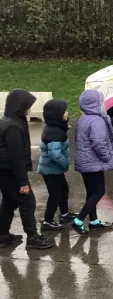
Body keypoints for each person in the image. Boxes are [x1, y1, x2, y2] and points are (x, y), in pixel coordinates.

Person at [0, 89, 55, 249]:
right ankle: (32, 238)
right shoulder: (13, 127)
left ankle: (2, 235)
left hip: (4, 171)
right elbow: (16, 157)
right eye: (27, 105)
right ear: (20, 106)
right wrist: (23, 182)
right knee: (27, 202)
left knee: (9, 201)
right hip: (10, 171)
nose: (29, 108)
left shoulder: (8, 121)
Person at [71, 90, 113, 235]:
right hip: (94, 164)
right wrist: (107, 158)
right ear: (96, 103)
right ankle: (79, 220)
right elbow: (98, 143)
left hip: (85, 162)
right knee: (99, 192)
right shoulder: (97, 121)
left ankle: (93, 221)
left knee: (91, 192)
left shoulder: (84, 118)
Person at [37, 99, 78, 232]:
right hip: (51, 170)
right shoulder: (54, 132)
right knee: (54, 194)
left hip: (55, 170)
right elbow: (55, 154)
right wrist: (65, 163)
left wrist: (64, 127)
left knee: (64, 189)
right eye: (63, 111)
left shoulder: (55, 128)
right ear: (56, 114)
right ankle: (47, 221)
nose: (66, 113)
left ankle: (64, 214)